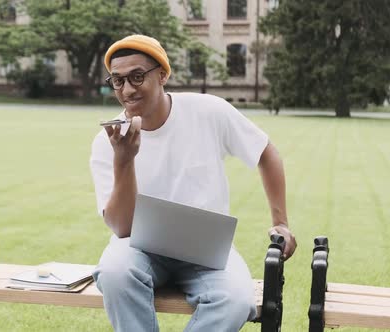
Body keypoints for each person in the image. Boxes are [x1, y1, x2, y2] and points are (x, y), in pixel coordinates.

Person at [90, 34, 296, 332]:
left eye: (137, 77)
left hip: (206, 253)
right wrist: (124, 161)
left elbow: (266, 153)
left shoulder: (208, 111)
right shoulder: (107, 141)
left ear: (162, 75)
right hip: (138, 249)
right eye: (118, 81)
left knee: (236, 299)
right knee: (114, 273)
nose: (127, 90)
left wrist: (282, 223)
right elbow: (122, 228)